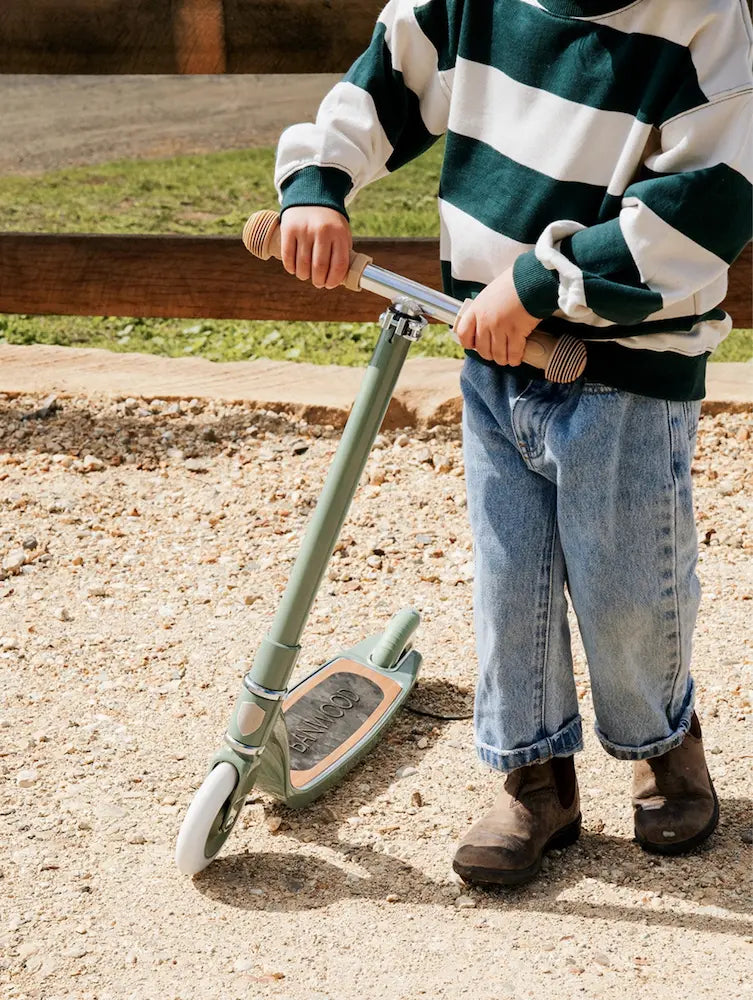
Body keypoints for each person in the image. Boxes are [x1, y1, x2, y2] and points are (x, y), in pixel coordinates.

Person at [272, 0, 753, 886]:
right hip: (491, 349)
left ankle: (662, 739)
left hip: (626, 367)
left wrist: (538, 282)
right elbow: (385, 82)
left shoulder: (703, 22)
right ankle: (534, 775)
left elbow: (703, 210)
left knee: (626, 584)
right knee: (511, 571)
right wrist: (319, 182)